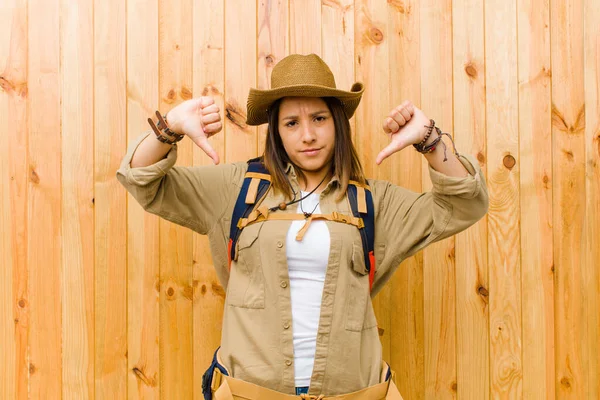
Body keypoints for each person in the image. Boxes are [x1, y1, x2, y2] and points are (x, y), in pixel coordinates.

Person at [117, 54, 488, 399]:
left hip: (352, 392)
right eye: (291, 123)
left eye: (319, 119)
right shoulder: (235, 188)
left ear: (337, 123)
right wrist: (171, 126)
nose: (307, 135)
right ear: (276, 132)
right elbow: (141, 179)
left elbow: (463, 203)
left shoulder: (376, 202)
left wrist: (429, 139)